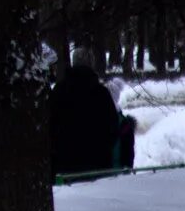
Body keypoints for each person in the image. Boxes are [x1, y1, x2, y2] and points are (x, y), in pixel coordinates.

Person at [49, 48, 128, 180]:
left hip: (64, 168)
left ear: (73, 63)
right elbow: (113, 129)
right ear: (92, 64)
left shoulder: (58, 92)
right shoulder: (101, 94)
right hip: (98, 168)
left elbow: (50, 127)